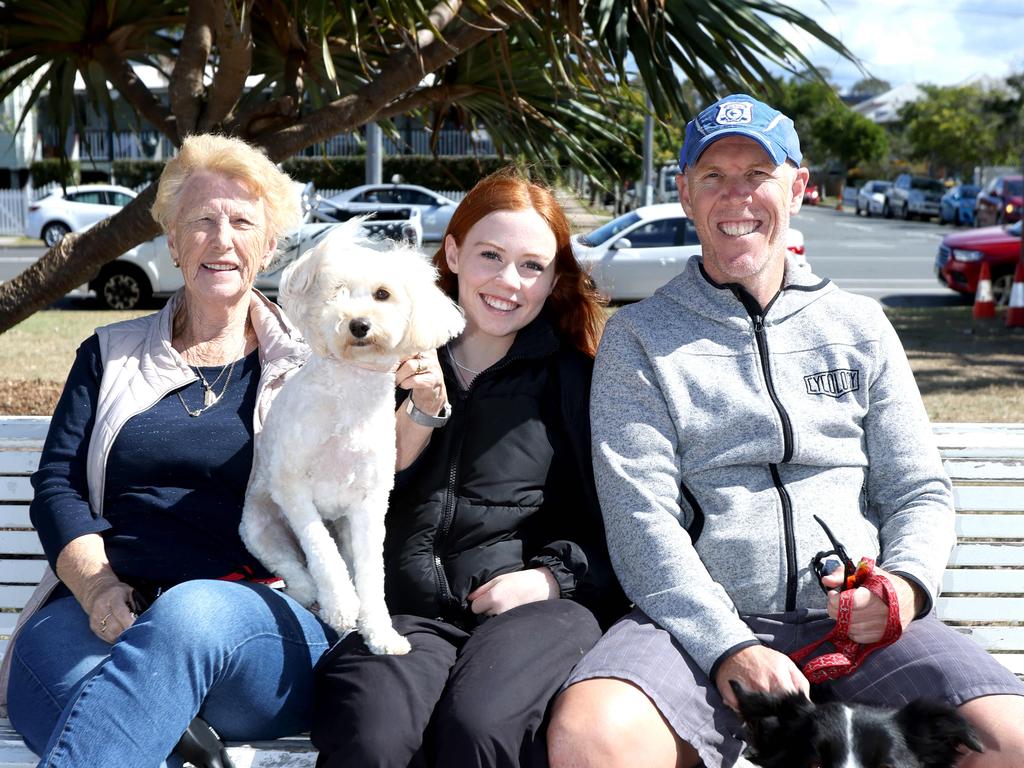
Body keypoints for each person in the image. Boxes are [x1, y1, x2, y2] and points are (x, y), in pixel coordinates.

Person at [546, 94, 1024, 768]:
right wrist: (728, 646)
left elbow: (919, 488)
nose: (736, 196)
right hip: (696, 622)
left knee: (1011, 743)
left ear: (798, 189)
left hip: (861, 629)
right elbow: (640, 521)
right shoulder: (639, 338)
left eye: (758, 175)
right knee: (592, 738)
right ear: (684, 193)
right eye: (713, 176)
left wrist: (903, 589)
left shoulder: (859, 326)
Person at [2, 134, 334, 767]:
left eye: (242, 222)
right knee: (83, 693)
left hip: (258, 628)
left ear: (269, 245)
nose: (222, 238)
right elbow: (57, 487)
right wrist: (99, 591)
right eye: (201, 221)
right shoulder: (109, 353)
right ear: (174, 242)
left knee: (189, 614)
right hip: (105, 613)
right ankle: (181, 741)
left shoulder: (313, 363)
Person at [310, 169, 626, 768]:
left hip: (535, 610)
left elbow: (639, 520)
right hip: (404, 612)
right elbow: (332, 495)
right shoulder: (380, 360)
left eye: (532, 265)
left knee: (479, 728)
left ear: (554, 278)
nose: (508, 281)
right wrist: (412, 413)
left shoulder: (578, 383)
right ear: (452, 252)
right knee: (371, 737)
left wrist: (552, 578)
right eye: (490, 255)